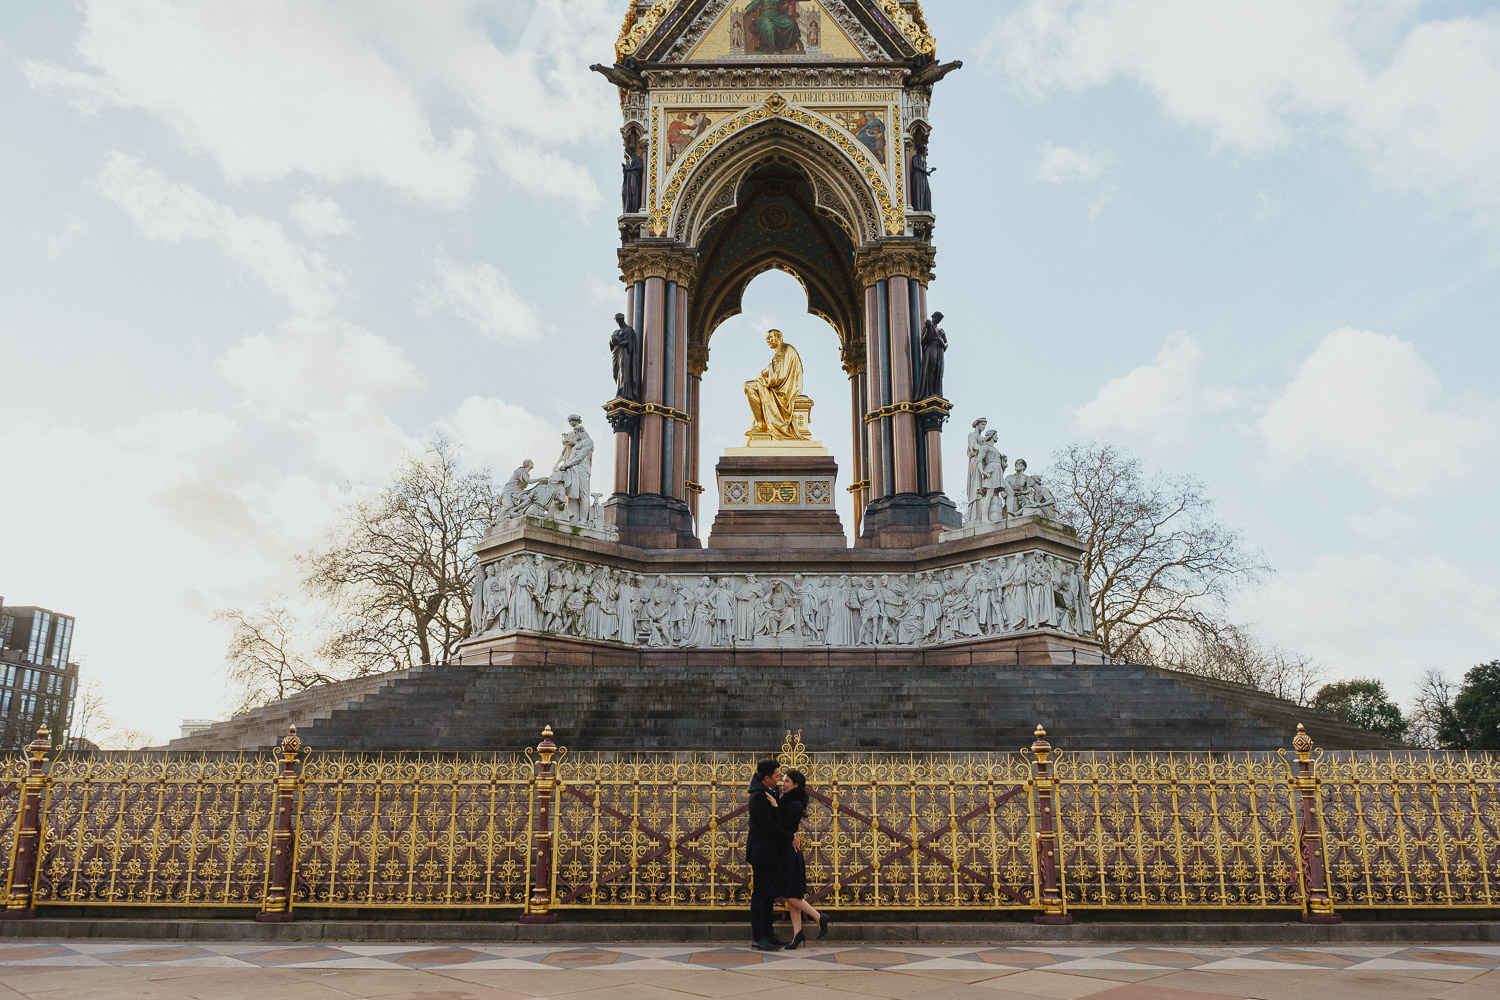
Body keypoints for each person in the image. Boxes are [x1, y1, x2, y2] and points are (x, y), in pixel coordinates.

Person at [766, 769, 829, 948]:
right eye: (783, 780)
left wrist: (775, 807)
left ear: (796, 785)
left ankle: (819, 917)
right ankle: (797, 934)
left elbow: (782, 825)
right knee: (792, 892)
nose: (783, 784)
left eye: (787, 781)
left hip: (789, 853)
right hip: (786, 849)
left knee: (787, 894)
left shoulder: (794, 804)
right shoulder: (787, 800)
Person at [746, 758, 794, 950]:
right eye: (776, 776)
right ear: (766, 777)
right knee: (760, 895)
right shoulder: (759, 795)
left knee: (768, 896)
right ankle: (758, 937)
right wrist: (789, 836)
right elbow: (769, 826)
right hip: (761, 852)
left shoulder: (767, 791)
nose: (778, 779)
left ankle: (768, 933)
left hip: (768, 851)